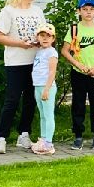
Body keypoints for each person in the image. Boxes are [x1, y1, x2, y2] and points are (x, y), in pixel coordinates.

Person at [0, 0, 49, 154]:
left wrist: (42, 42)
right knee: (12, 99)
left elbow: (44, 33)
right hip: (16, 62)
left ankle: (24, 134)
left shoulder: (37, 11)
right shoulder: (8, 11)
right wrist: (20, 43)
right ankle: (1, 137)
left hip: (36, 62)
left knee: (31, 100)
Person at [62, 0, 94, 151]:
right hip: (79, 73)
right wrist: (78, 64)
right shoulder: (74, 29)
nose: (88, 12)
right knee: (78, 105)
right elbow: (65, 51)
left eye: (91, 9)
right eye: (85, 9)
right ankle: (78, 136)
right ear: (79, 11)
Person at [30, 23, 58, 155]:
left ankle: (48, 143)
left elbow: (52, 72)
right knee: (42, 115)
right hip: (38, 86)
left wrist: (47, 89)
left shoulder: (52, 52)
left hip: (47, 87)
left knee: (48, 114)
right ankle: (43, 139)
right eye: (42, 35)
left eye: (48, 36)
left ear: (53, 38)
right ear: (38, 37)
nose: (45, 38)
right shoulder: (39, 51)